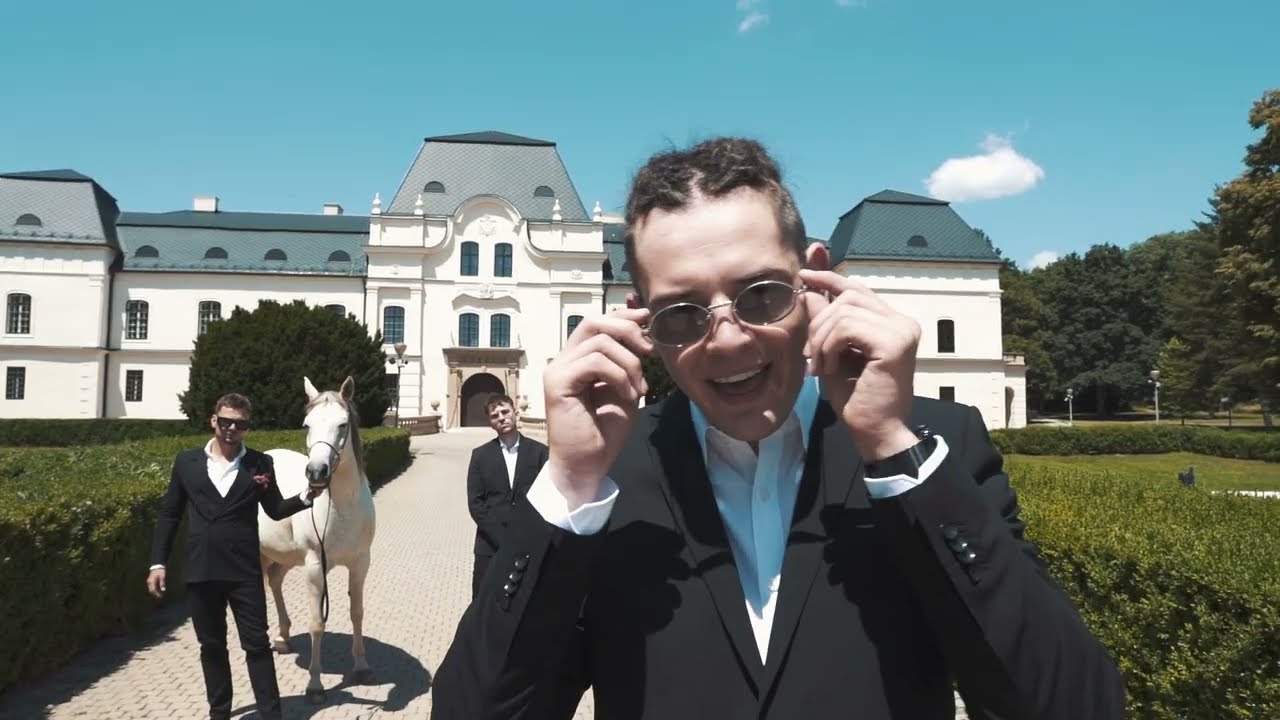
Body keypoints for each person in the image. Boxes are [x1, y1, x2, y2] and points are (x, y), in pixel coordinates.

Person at [433, 138, 1126, 719]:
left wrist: (892, 449)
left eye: (760, 294)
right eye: (683, 313)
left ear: (815, 280)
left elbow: (1075, 705)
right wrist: (568, 485)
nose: (730, 339)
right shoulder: (605, 478)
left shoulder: (934, 445)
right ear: (641, 320)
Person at [147, 393, 319, 720]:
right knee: (212, 647)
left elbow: (275, 508)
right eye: (225, 421)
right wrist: (158, 563)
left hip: (244, 572)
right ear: (214, 420)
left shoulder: (259, 464)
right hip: (201, 570)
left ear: (247, 428)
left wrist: (306, 496)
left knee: (257, 646)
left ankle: (271, 714)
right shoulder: (186, 463)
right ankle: (219, 713)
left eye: (239, 424)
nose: (231, 429)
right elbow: (170, 514)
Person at [466, 393, 550, 599]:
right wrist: (503, 539)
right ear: (490, 422)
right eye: (495, 415)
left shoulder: (540, 452)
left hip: (529, 543)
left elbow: (547, 497)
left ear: (515, 412)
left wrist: (526, 536)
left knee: (527, 601)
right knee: (483, 602)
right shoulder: (480, 456)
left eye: (505, 412)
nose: (501, 418)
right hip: (490, 545)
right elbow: (476, 504)